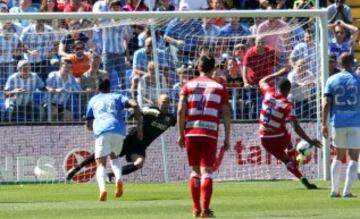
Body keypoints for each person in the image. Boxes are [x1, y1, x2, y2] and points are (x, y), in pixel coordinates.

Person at [66, 94, 176, 180]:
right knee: (104, 153)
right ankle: (78, 167)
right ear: (158, 102)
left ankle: (111, 175)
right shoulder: (152, 110)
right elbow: (135, 113)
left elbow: (181, 122)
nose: (166, 104)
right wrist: (139, 122)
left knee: (139, 163)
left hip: (141, 145)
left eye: (168, 102)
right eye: (163, 102)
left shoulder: (170, 119)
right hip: (132, 138)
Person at [177, 55, 231, 218]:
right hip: (209, 132)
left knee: (195, 171)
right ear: (213, 68)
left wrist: (181, 134)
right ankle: (206, 210)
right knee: (207, 171)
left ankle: (196, 209)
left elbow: (180, 111)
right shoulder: (219, 87)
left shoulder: (188, 85)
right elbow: (226, 114)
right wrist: (227, 137)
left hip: (191, 131)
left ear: (198, 67)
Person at [258, 66, 321, 190]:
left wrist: (278, 73)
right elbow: (296, 127)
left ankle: (300, 174)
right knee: (286, 132)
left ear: (278, 87)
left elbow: (262, 81)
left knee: (285, 159)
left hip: (264, 137)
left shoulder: (268, 93)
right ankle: (293, 154)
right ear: (288, 90)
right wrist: (310, 141)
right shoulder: (287, 105)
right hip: (280, 136)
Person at [85, 78, 143, 201]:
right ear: (109, 87)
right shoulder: (117, 96)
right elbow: (134, 104)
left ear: (97, 88)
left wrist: (91, 127)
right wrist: (139, 124)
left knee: (100, 164)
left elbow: (88, 122)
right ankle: (119, 179)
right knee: (114, 157)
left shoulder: (93, 100)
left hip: (102, 131)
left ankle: (103, 190)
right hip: (118, 130)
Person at [322, 53, 360, 198]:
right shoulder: (358, 80)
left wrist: (323, 124)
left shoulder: (331, 79)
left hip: (337, 122)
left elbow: (326, 104)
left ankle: (334, 190)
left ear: (339, 63)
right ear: (352, 63)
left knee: (338, 156)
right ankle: (347, 191)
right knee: (354, 157)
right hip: (356, 123)